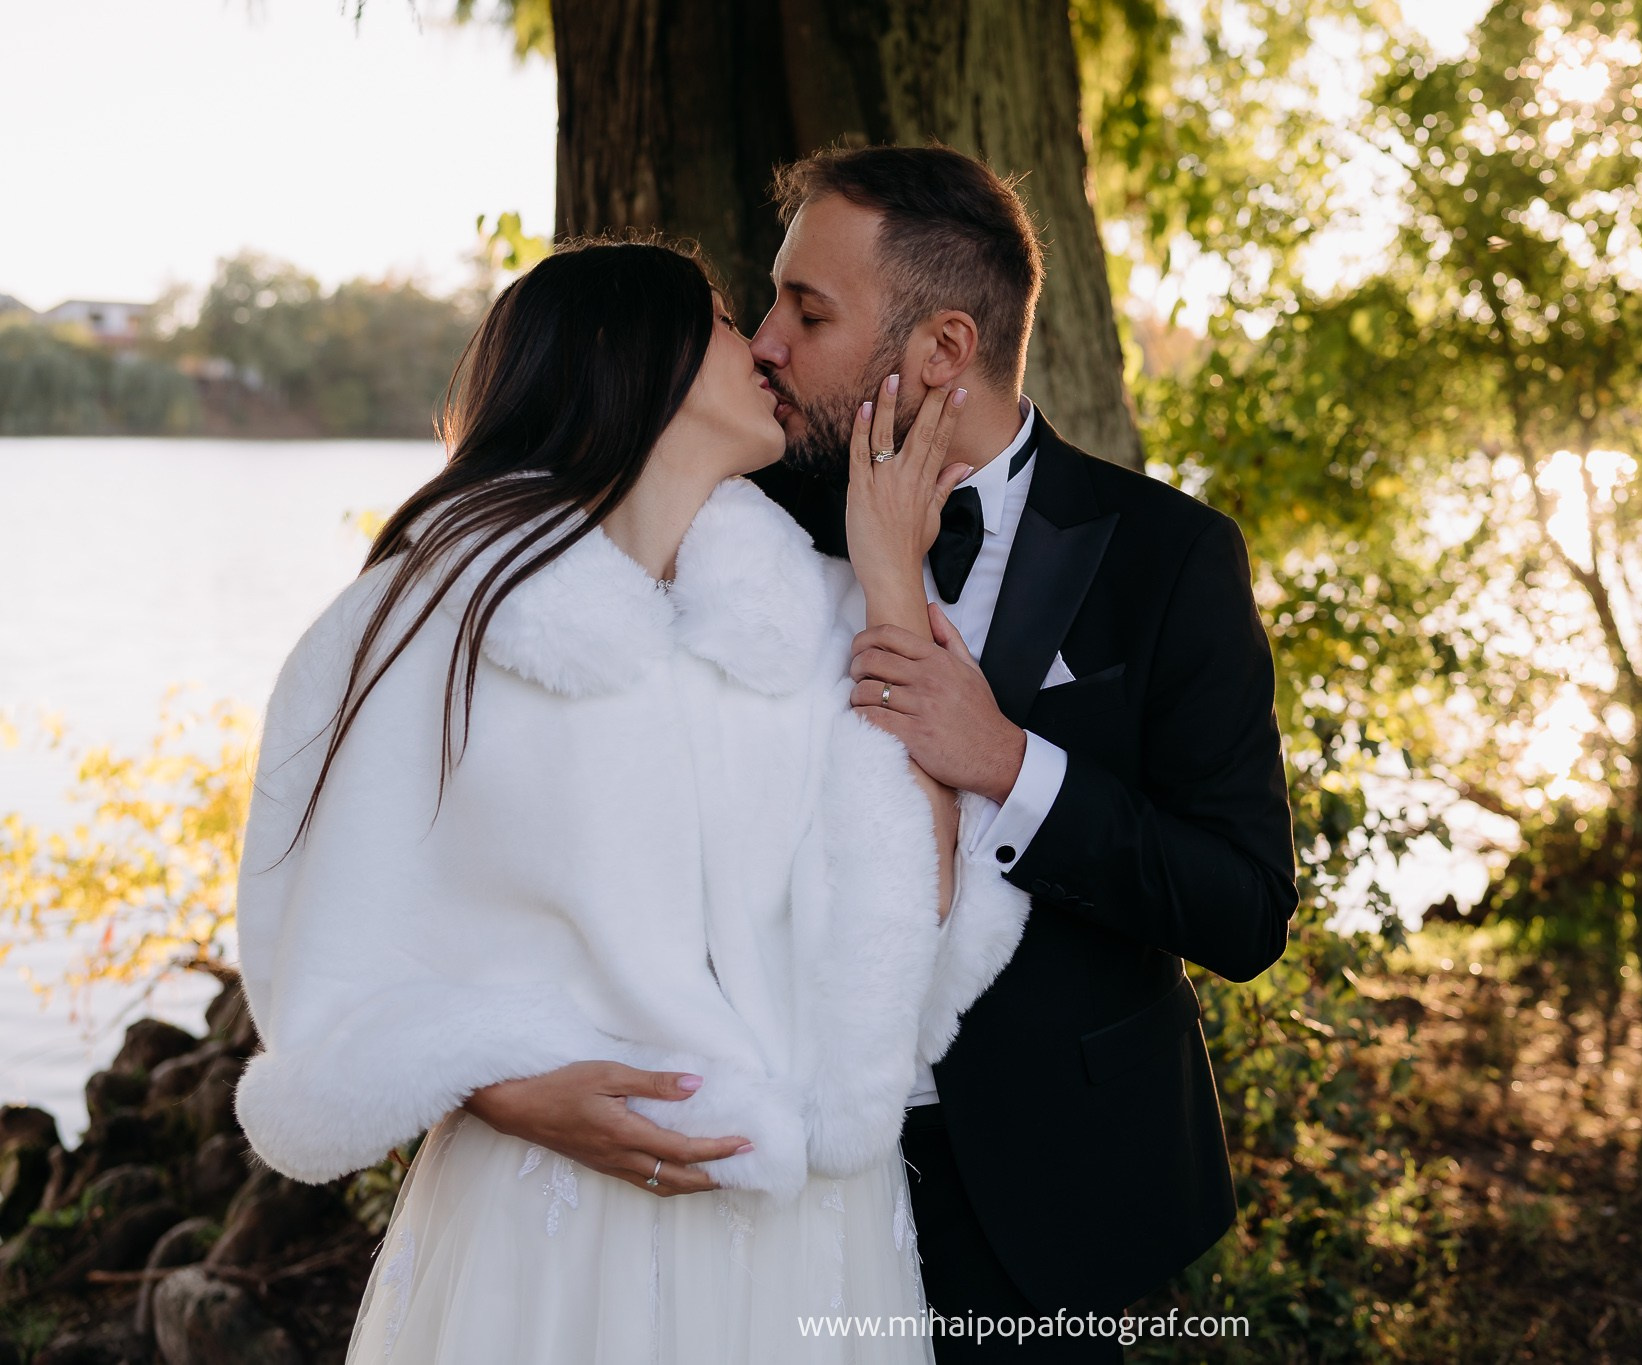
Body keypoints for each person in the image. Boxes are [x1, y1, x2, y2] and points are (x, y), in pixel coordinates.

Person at [230, 238, 1032, 1363]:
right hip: (554, 1217)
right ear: (629, 354)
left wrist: (891, 580)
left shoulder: (808, 615)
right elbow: (323, 952)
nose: (758, 343)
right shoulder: (423, 619)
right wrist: (494, 1084)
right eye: (715, 317)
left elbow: (913, 920)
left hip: (804, 1229)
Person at [747, 146, 1299, 1359]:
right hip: (779, 1166)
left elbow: (1243, 906)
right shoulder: (752, 525)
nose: (763, 342)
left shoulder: (1166, 559)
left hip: (1052, 1188)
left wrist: (1007, 764)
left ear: (942, 350)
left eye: (806, 309)